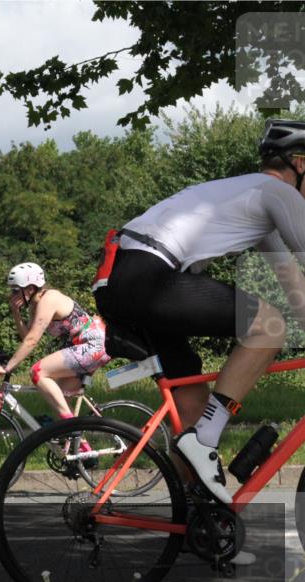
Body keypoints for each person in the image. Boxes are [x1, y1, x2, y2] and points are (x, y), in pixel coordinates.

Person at [94, 119, 305, 506]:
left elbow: (296, 289)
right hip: (147, 277)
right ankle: (204, 439)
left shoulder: (250, 197)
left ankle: (195, 519)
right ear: (300, 163)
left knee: (191, 405)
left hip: (122, 279)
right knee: (269, 326)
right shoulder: (279, 192)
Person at [0, 262, 111, 421]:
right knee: (60, 400)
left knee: (37, 372)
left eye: (15, 290)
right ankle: (78, 443)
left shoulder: (49, 299)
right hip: (87, 348)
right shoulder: (35, 305)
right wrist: (16, 313)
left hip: (91, 346)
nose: (11, 294)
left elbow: (32, 341)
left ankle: (70, 427)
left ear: (29, 289)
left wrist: (8, 368)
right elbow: (27, 336)